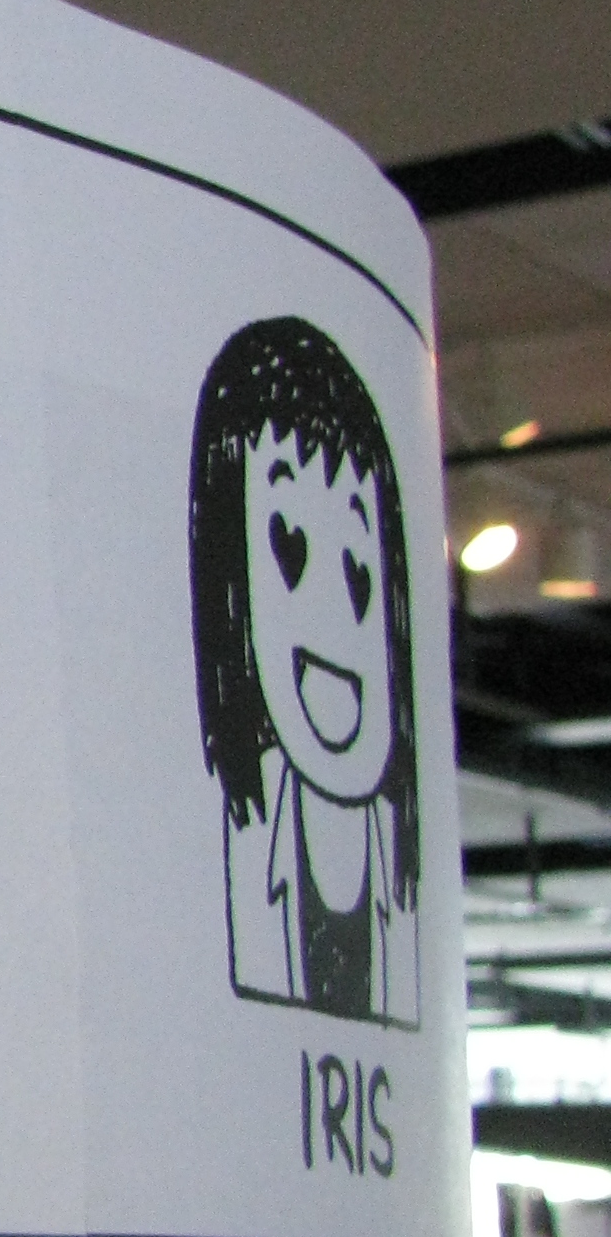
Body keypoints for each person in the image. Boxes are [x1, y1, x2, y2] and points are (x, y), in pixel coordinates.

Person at [188, 316, 420, 1024]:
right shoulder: (250, 843)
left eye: (359, 569)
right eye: (287, 550)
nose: (335, 613)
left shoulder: (402, 882)